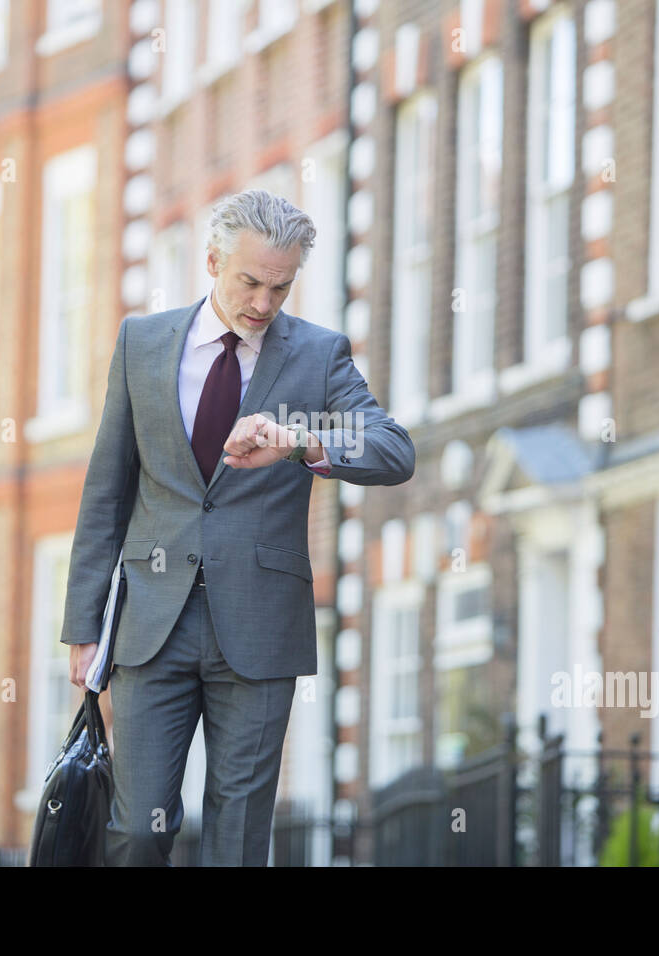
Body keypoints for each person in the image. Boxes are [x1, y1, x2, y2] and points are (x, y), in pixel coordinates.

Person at [60, 189, 415, 866]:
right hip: (150, 625)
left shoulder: (317, 356)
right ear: (212, 258)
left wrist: (301, 440)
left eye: (280, 288)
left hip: (258, 628)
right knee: (138, 830)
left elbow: (393, 448)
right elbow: (107, 490)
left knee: (240, 834)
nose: (262, 303)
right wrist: (84, 623)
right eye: (250, 281)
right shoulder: (142, 343)